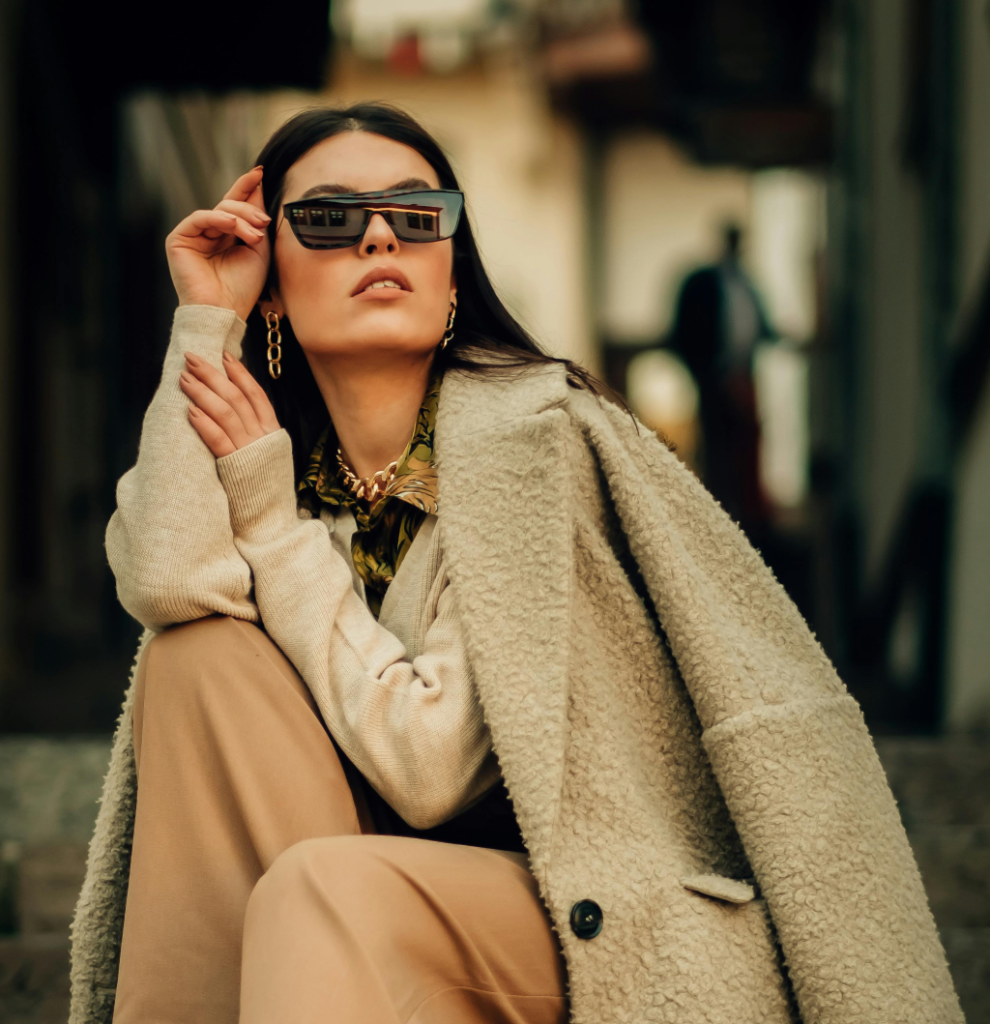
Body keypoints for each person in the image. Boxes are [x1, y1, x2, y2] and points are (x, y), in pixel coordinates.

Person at [68, 104, 963, 1024]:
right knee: (196, 661)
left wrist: (267, 525)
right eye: (330, 220)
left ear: (449, 273)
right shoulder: (280, 475)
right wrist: (206, 320)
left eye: (418, 217)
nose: (380, 236)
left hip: (580, 935)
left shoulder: (534, 449)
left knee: (324, 888)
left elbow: (428, 770)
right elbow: (168, 582)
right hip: (345, 888)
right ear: (276, 290)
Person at [668, 223, 775, 534]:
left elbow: (760, 325)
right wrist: (705, 370)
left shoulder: (744, 282)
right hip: (715, 376)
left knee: (746, 445)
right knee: (717, 448)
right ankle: (716, 512)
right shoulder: (705, 282)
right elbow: (686, 330)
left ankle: (747, 515)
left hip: (742, 373)